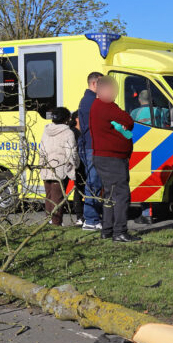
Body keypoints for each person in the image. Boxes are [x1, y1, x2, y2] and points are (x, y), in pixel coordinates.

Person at [89, 77, 139, 242]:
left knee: (109, 195)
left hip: (103, 157)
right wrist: (123, 124)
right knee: (121, 195)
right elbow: (128, 121)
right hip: (113, 158)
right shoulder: (107, 105)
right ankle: (119, 231)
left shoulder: (96, 106)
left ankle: (107, 229)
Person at [39, 106, 79, 226]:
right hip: (60, 169)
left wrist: (42, 165)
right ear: (66, 119)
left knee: (49, 196)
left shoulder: (46, 130)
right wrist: (75, 165)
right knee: (58, 198)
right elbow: (71, 153)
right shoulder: (68, 133)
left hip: (46, 167)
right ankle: (56, 223)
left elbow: (42, 150)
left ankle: (49, 221)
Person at [76, 72, 104, 231]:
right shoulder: (92, 102)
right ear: (94, 84)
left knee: (94, 183)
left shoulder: (87, 100)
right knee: (93, 183)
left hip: (89, 146)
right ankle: (91, 220)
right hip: (92, 147)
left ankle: (93, 218)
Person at [67, 110, 85, 224]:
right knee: (78, 189)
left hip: (84, 163)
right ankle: (79, 216)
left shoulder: (83, 131)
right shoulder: (73, 132)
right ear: (77, 119)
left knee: (82, 189)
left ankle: (84, 215)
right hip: (77, 164)